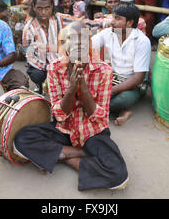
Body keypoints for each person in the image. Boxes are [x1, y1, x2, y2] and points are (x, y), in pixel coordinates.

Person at [14, 20, 129, 191]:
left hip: (93, 132)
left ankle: (64, 156)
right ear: (64, 44)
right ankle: (79, 153)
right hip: (64, 129)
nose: (78, 44)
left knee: (119, 176)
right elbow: (59, 114)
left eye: (83, 39)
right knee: (21, 139)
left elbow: (99, 116)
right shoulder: (54, 68)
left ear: (89, 44)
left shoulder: (104, 70)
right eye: (72, 39)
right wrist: (72, 88)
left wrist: (82, 88)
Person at [92, 4, 150, 126]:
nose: (112, 22)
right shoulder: (107, 33)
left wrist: (110, 91)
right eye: (113, 17)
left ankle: (119, 109)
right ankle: (122, 112)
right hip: (113, 77)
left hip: (133, 84)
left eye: (118, 19)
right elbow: (88, 46)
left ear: (129, 23)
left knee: (118, 100)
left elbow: (138, 78)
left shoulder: (142, 41)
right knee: (89, 92)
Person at [22, 0, 63, 94]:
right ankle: (40, 86)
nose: (43, 12)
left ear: (52, 6)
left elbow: (78, 21)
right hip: (42, 66)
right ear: (34, 7)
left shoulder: (58, 19)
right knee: (37, 75)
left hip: (59, 62)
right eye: (40, 8)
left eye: (47, 8)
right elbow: (29, 56)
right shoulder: (29, 28)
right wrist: (47, 68)